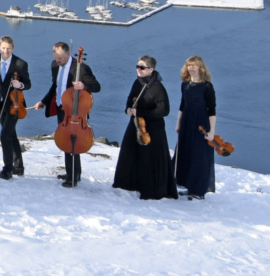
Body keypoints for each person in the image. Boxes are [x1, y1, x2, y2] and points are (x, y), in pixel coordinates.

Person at [32, 41, 100, 187]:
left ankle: (74, 176)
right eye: (56, 58)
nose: (58, 61)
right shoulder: (55, 66)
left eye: (61, 58)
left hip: (76, 112)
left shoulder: (81, 68)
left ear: (68, 54)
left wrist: (84, 86)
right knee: (65, 141)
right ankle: (72, 172)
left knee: (73, 142)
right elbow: (55, 86)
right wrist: (44, 101)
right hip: (62, 110)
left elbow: (97, 86)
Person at [112, 54, 177, 200]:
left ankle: (150, 188)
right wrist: (128, 109)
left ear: (151, 69)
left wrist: (140, 112)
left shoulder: (158, 88)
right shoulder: (137, 83)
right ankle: (128, 183)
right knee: (129, 152)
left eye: (142, 67)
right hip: (136, 124)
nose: (139, 70)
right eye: (137, 67)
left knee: (149, 159)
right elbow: (130, 99)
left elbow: (164, 110)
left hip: (153, 129)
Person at [0, 35, 30, 179]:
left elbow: (28, 83)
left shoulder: (20, 64)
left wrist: (20, 85)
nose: (6, 51)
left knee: (5, 135)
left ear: (13, 48)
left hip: (15, 105)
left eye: (9, 48)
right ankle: (19, 166)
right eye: (3, 48)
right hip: (0, 103)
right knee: (11, 134)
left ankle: (8, 169)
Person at [175, 56, 218, 199]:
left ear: (201, 68)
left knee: (199, 156)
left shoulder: (207, 87)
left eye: (194, 66)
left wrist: (212, 132)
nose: (191, 69)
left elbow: (212, 111)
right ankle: (189, 186)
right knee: (186, 153)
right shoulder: (185, 85)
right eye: (189, 66)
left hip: (201, 125)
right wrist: (178, 123)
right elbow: (182, 105)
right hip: (187, 123)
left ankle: (199, 191)